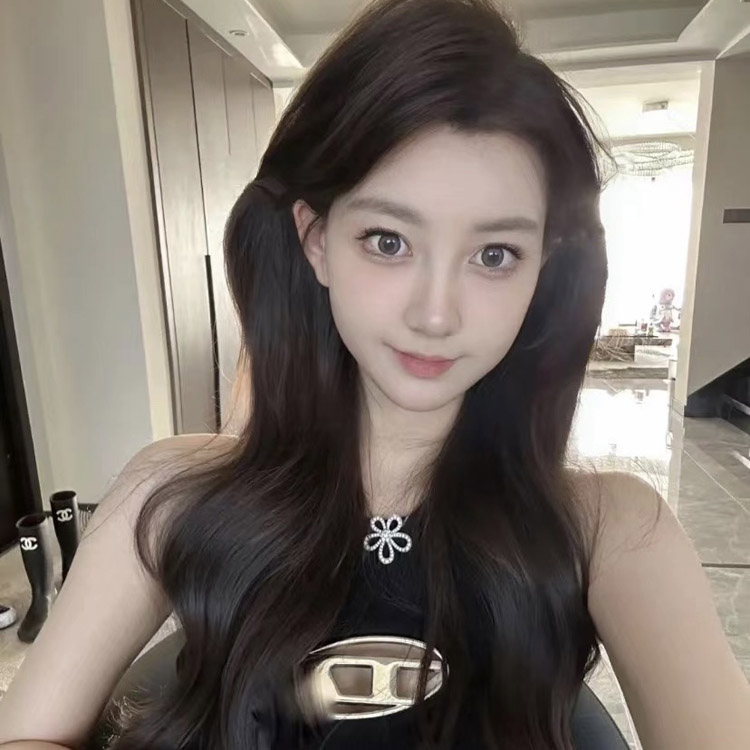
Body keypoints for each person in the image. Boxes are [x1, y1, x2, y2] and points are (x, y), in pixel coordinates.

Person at [0, 1, 748, 748]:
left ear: (542, 268)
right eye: (389, 240)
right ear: (316, 239)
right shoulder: (168, 493)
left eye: (494, 255)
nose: (436, 314)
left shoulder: (614, 532)